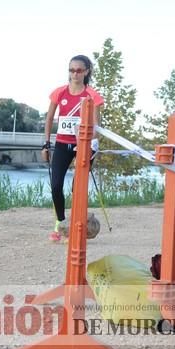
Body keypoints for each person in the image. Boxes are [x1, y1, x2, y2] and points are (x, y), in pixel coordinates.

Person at [41, 55, 104, 243]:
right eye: (71, 70)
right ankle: (61, 223)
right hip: (62, 143)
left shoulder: (93, 96)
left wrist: (83, 138)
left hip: (85, 144)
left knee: (78, 186)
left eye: (79, 70)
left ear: (86, 72)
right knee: (55, 186)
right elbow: (49, 119)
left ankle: (78, 226)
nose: (74, 74)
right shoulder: (59, 93)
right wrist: (46, 143)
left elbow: (97, 129)